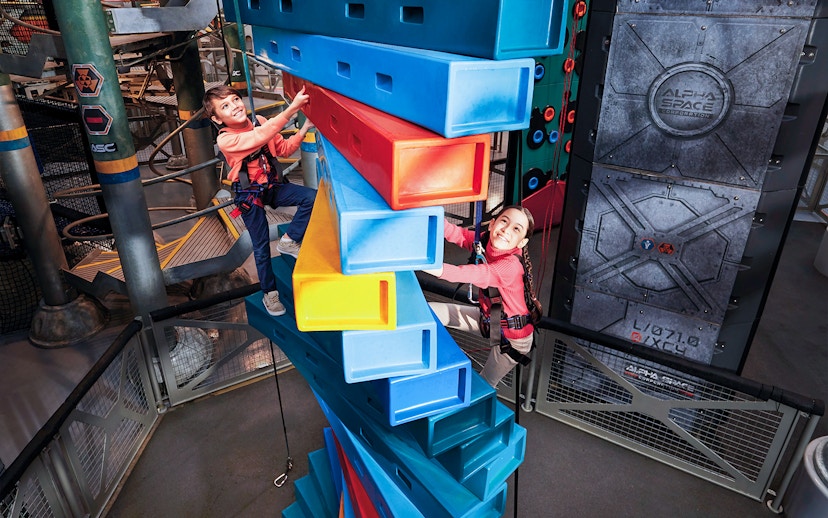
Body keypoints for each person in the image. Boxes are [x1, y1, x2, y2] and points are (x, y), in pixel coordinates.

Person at [203, 85, 315, 317]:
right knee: (261, 246)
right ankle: (270, 294)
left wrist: (304, 128)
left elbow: (282, 149)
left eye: (235, 100)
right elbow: (258, 137)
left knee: (310, 198)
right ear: (216, 118)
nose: (234, 106)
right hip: (249, 194)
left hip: (272, 186)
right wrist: (292, 109)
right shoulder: (226, 140)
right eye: (225, 106)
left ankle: (289, 240)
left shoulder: (261, 121)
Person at [424, 206, 538, 387]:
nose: (506, 230)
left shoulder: (510, 267)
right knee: (430, 311)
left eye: (516, 229)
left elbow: (462, 274)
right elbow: (457, 234)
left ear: (522, 243)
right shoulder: (485, 242)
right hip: (490, 319)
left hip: (513, 338)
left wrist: (419, 261)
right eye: (504, 221)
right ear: (492, 224)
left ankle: (476, 411)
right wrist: (428, 216)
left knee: (485, 383)